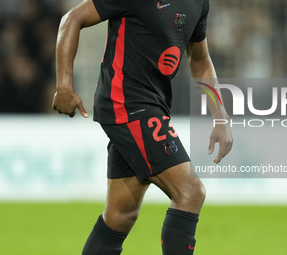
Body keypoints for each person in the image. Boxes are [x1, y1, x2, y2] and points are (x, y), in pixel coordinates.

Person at [52, 0, 233, 254]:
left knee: (120, 215)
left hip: (152, 106)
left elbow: (200, 59)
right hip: (126, 102)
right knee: (191, 192)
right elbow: (71, 19)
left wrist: (220, 115)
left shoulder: (198, 3)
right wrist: (64, 85)